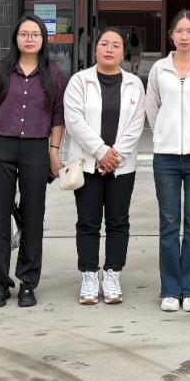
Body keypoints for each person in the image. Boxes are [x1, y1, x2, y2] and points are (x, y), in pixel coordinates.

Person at [0, 15, 66, 308]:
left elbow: (58, 116)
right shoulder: (1, 70)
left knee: (33, 215)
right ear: (15, 38)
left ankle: (28, 282)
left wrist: (53, 151)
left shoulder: (53, 73)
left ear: (43, 39)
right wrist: (3, 134)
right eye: (24, 34)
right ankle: (0, 282)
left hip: (36, 149)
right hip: (2, 147)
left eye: (35, 34)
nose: (30, 39)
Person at [64, 28, 146, 305]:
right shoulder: (79, 81)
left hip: (121, 167)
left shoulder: (134, 84)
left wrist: (115, 156)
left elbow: (136, 124)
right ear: (96, 48)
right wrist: (101, 152)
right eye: (104, 44)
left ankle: (112, 274)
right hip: (87, 165)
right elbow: (74, 121)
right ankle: (89, 274)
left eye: (116, 45)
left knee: (118, 221)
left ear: (124, 52)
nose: (109, 49)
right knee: (87, 221)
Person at [145, 10, 190, 313]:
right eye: (179, 31)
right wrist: (163, 135)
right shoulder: (159, 69)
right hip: (165, 158)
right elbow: (152, 108)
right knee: (168, 224)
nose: (184, 36)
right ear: (171, 36)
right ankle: (170, 289)